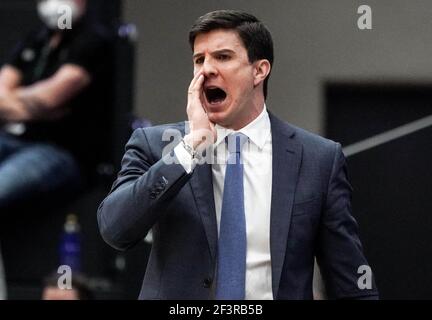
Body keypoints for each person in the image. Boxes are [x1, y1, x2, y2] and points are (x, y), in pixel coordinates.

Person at [97, 10, 379, 300]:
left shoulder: (318, 159)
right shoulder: (155, 145)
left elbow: (351, 283)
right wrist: (191, 147)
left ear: (259, 70)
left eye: (222, 57)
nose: (206, 69)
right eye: (199, 59)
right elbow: (115, 230)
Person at [0, 0, 112, 212]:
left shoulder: (92, 40)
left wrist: (18, 101)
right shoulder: (35, 39)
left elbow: (49, 99)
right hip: (12, 138)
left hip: (61, 152)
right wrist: (38, 108)